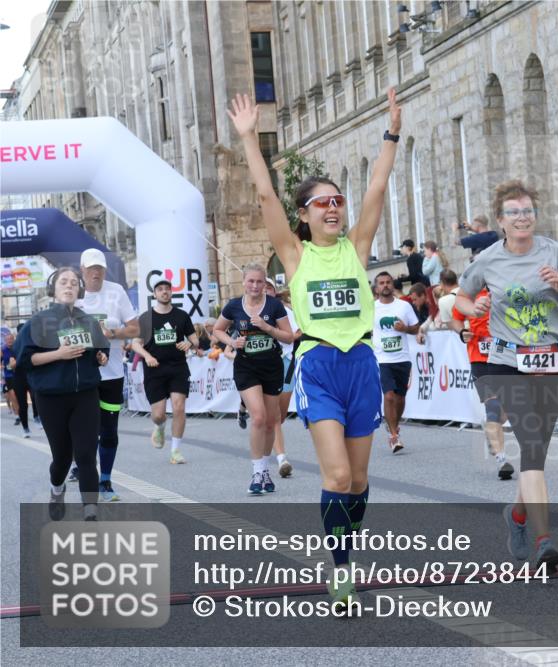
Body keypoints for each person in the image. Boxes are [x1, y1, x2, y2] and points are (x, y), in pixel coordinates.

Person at [229, 87, 401, 606]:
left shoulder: (359, 245)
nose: (333, 208)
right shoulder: (296, 255)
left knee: (361, 479)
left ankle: (347, 544)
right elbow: (264, 197)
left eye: (337, 201)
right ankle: (341, 570)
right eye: (322, 203)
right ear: (303, 215)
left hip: (363, 363)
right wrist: (249, 140)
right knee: (339, 475)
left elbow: (377, 186)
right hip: (318, 364)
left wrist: (391, 130)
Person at [455, 179, 558, 572]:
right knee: (531, 448)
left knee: (536, 450)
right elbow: (461, 297)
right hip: (507, 362)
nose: (522, 218)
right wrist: (473, 310)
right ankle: (545, 540)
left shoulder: (555, 252)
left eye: (528, 211)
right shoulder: (488, 259)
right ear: (501, 221)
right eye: (514, 213)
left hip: (550, 361)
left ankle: (518, 515)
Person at [15, 267, 110, 521]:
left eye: (73, 283)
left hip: (86, 395)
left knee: (87, 454)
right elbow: (25, 359)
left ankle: (90, 512)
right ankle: (57, 490)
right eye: (63, 282)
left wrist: (101, 356)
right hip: (52, 397)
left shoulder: (89, 321)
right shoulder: (38, 322)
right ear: (53, 289)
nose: (69, 286)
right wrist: (58, 354)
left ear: (79, 289)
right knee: (62, 458)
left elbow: (102, 350)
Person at [214, 264, 294, 494]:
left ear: (265, 284)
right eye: (251, 281)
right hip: (246, 367)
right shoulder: (233, 306)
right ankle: (257, 472)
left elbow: (288, 337)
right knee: (258, 417)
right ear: (244, 282)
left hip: (271, 366)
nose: (255, 286)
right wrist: (231, 342)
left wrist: (267, 327)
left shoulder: (274, 305)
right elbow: (218, 330)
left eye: (259, 282)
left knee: (271, 421)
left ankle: (265, 470)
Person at [76, 248, 140, 502]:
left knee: (109, 431)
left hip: (112, 374)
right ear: (82, 270)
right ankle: (85, 470)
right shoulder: (74, 295)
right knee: (84, 431)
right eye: (91, 268)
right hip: (81, 374)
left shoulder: (115, 292)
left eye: (99, 268)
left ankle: (106, 480)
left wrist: (112, 335)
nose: (96, 273)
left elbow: (135, 327)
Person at [131, 278, 201, 464]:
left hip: (178, 367)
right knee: (158, 414)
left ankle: (176, 451)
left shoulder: (181, 316)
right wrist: (147, 356)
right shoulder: (146, 318)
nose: (164, 292)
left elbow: (195, 341)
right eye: (160, 289)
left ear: (171, 293)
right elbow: (135, 344)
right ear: (154, 294)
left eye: (167, 289)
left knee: (179, 407)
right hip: (155, 369)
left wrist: (189, 343)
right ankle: (160, 426)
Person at [449, 288, 515, 480]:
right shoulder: (467, 294)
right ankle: (502, 460)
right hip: (479, 358)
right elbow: (455, 319)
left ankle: (491, 428)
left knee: (504, 410)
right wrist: (462, 331)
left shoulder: (504, 286)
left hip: (505, 356)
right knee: (493, 406)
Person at [372, 271, 421, 453]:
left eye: (388, 282)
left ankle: (394, 423)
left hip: (402, 358)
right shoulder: (372, 308)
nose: (385, 285)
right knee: (389, 396)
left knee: (400, 398)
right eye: (382, 283)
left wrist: (405, 328)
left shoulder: (404, 306)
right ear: (377, 288)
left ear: (392, 285)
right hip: (382, 359)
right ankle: (393, 436)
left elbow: (416, 329)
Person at [272, 286, 301, 478]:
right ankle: (282, 458)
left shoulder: (285, 312)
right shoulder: (248, 311)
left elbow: (297, 332)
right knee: (272, 415)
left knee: (280, 415)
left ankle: (270, 440)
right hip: (264, 364)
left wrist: (281, 334)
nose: (262, 289)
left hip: (286, 361)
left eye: (267, 287)